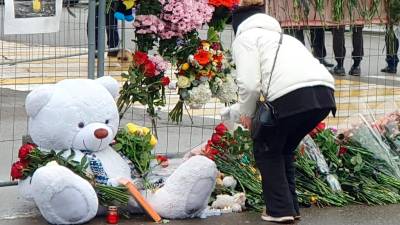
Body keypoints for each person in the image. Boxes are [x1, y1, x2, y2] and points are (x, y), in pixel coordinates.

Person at [230, 0, 336, 223]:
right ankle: (290, 207)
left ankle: (279, 210)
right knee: (283, 147)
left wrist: (247, 114)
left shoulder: (245, 38)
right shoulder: (286, 39)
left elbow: (249, 84)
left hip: (292, 97)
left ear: (238, 24)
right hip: (325, 95)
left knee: (266, 148)